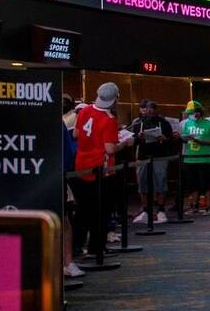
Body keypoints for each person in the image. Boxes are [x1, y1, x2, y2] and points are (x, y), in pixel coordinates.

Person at [70, 83, 133, 256]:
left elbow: (75, 134)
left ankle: (76, 246)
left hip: (81, 166)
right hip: (101, 169)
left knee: (82, 210)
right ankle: (96, 247)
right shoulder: (109, 119)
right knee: (101, 210)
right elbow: (110, 149)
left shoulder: (85, 111)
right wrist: (125, 143)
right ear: (115, 99)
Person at [129, 99, 172, 224]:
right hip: (143, 156)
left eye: (153, 110)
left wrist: (165, 138)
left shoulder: (164, 123)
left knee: (160, 182)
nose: (150, 113)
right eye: (148, 110)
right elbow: (132, 140)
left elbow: (171, 138)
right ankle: (146, 210)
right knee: (143, 184)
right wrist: (139, 137)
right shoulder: (138, 123)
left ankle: (161, 210)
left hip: (160, 156)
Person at [180, 101, 210, 213]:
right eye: (190, 113)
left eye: (193, 112)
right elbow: (183, 137)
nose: (192, 115)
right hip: (189, 158)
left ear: (199, 112)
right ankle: (194, 206)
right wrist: (183, 138)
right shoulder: (187, 123)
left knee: (206, 183)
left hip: (204, 158)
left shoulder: (209, 124)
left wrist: (202, 142)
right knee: (193, 184)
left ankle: (208, 206)